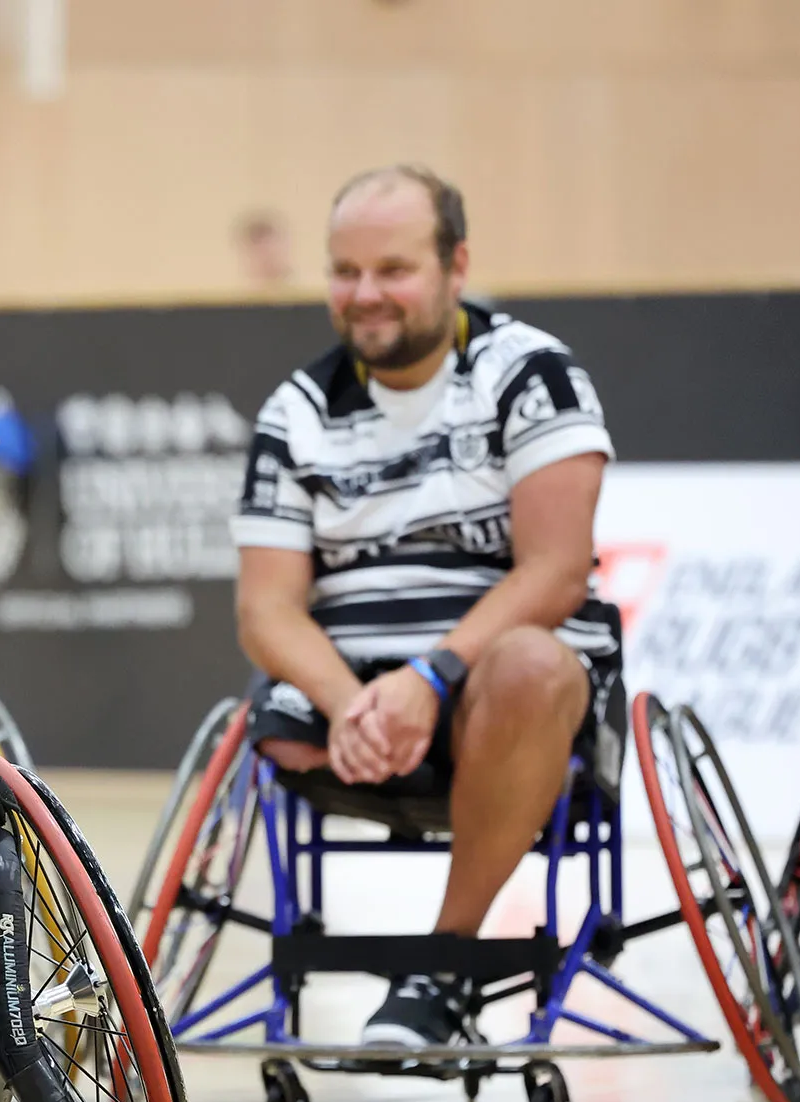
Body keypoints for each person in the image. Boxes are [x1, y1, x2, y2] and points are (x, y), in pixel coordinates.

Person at [231, 165, 619, 1048]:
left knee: (529, 660)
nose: (365, 295)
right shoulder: (295, 411)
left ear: (456, 265)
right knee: (274, 715)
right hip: (354, 713)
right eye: (345, 270)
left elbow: (556, 572)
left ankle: (443, 961)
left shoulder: (533, 375)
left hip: (501, 695)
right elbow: (267, 610)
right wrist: (350, 703)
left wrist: (430, 678)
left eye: (393, 270)